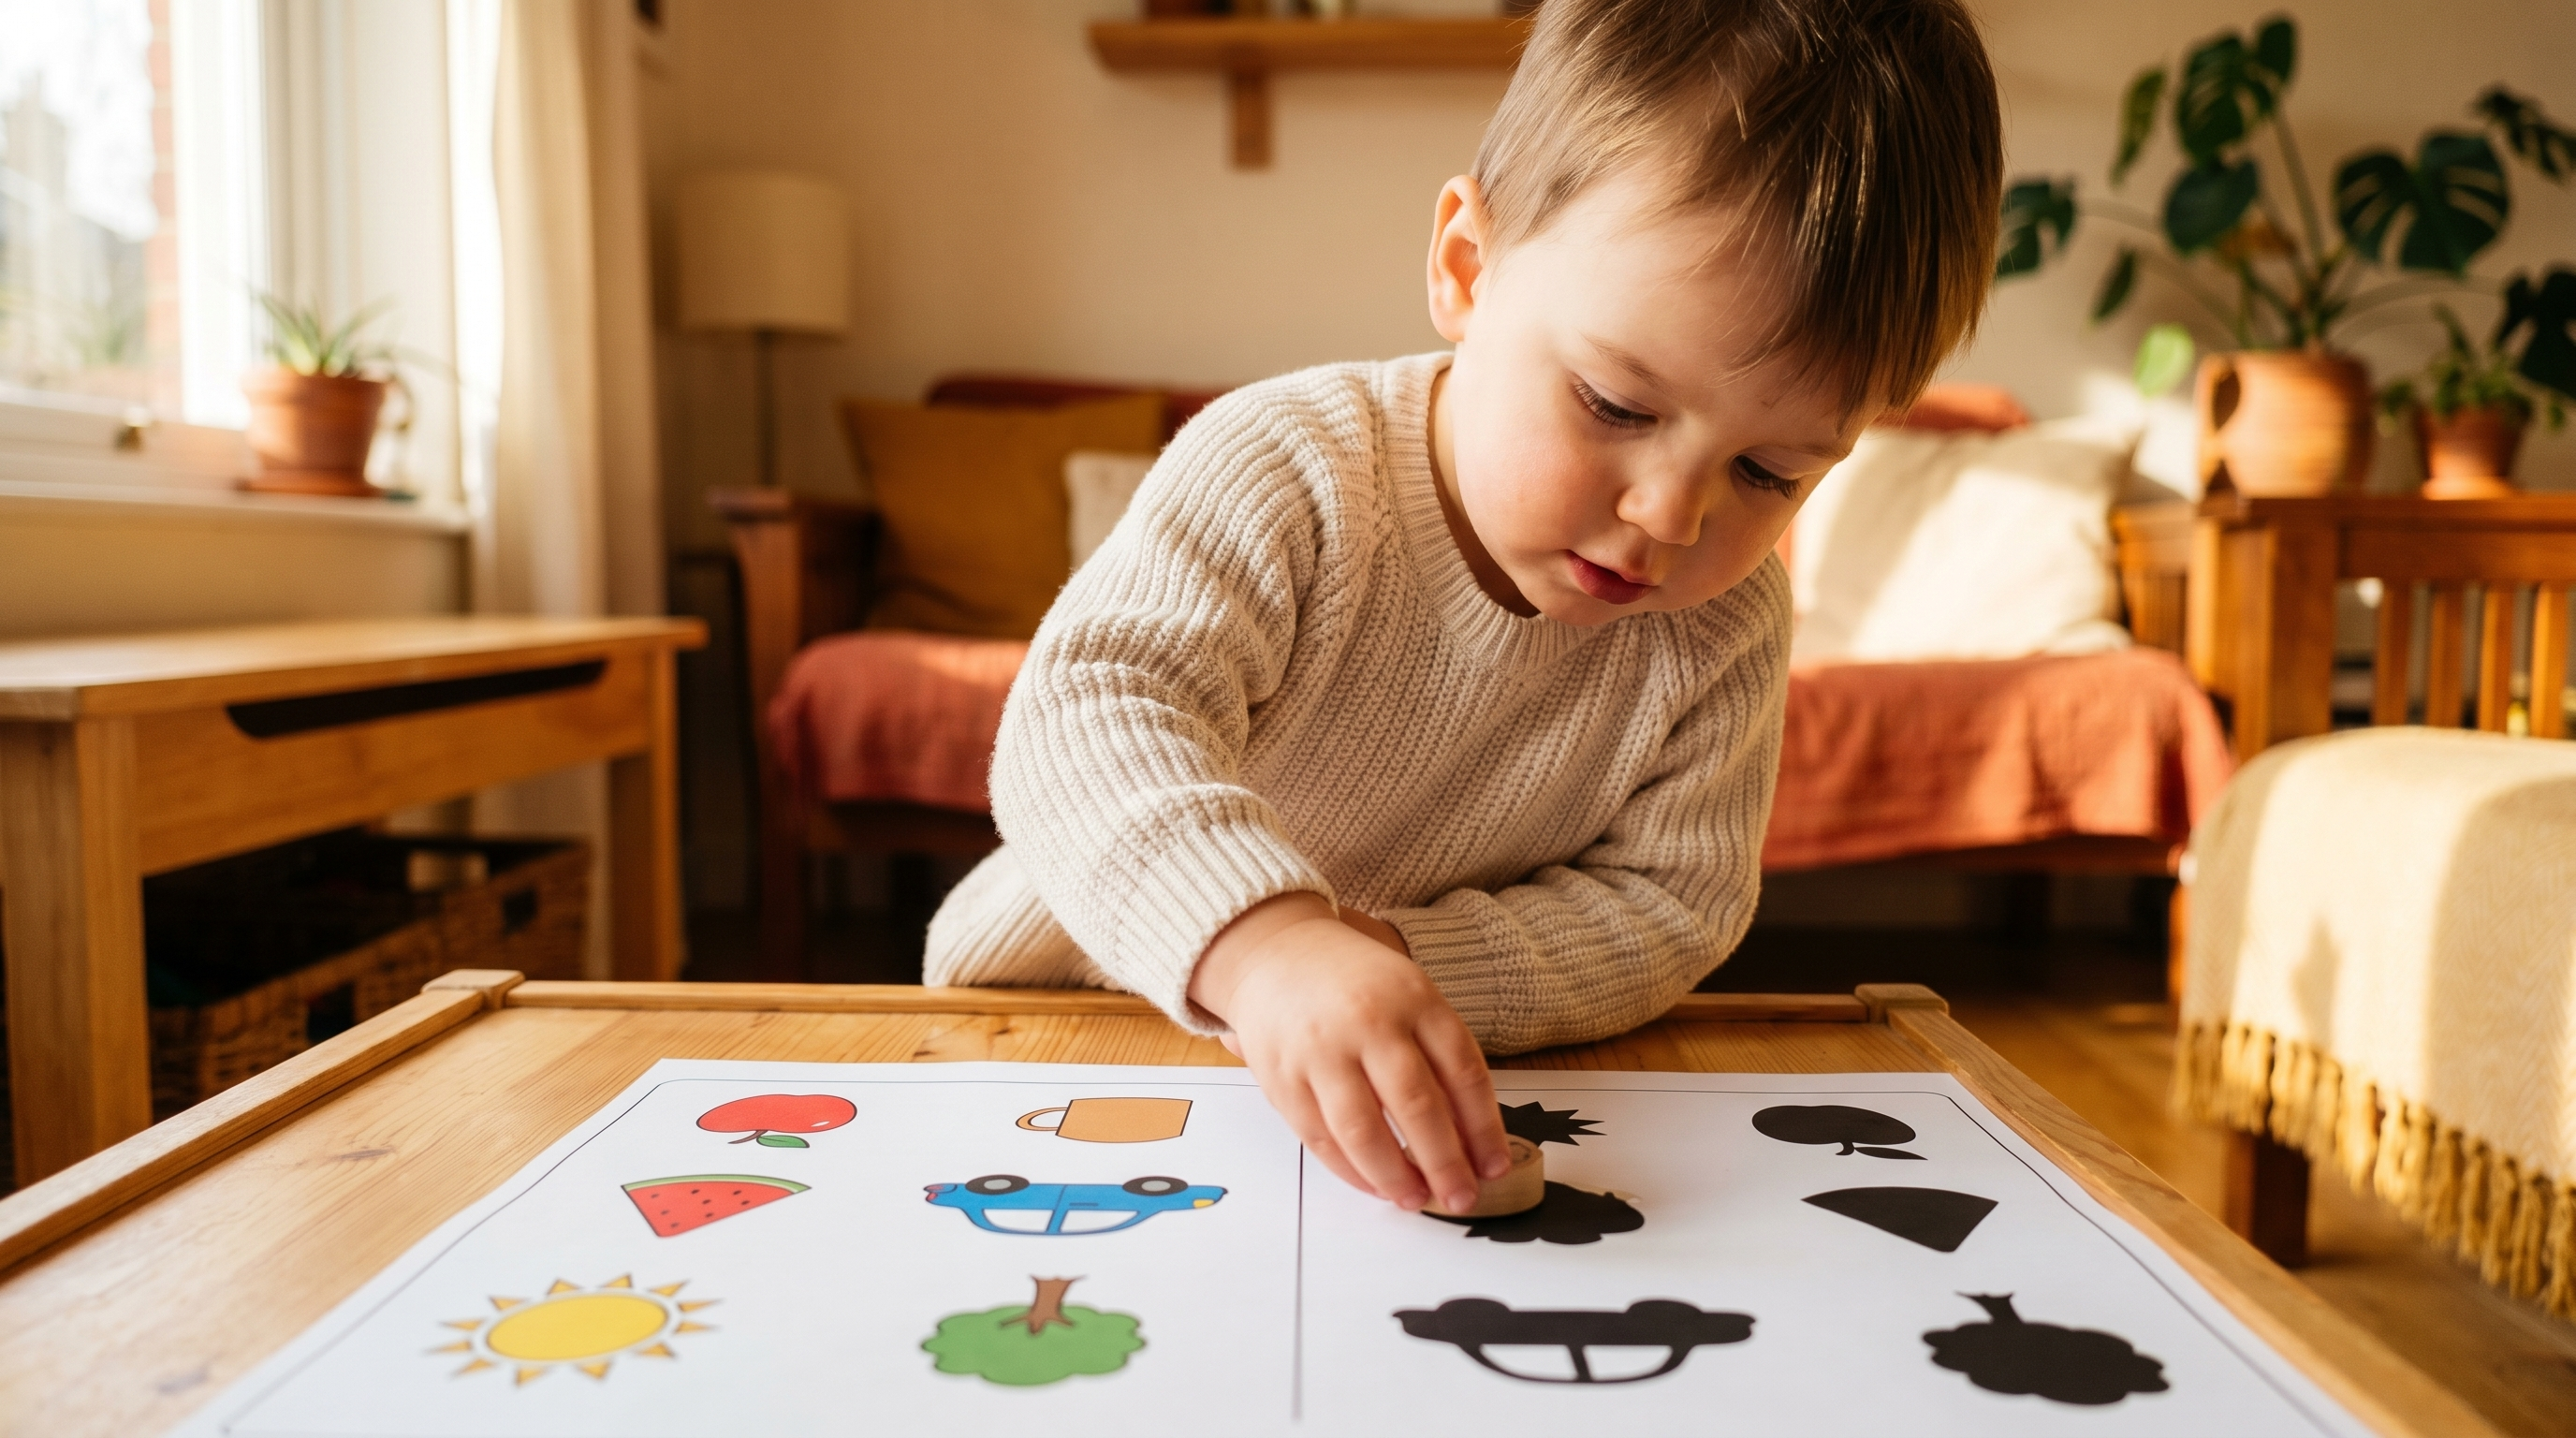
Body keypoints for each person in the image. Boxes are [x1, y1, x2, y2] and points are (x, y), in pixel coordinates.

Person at [927, 0, 2002, 1218]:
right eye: (1614, 402)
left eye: (1771, 473)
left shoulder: (1726, 619)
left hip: (1404, 1085)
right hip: (1064, 1020)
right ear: (1466, 268)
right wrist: (1273, 948)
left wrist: (1395, 965)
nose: (1671, 514)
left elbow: (1673, 904)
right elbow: (1086, 716)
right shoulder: (1290, 469)